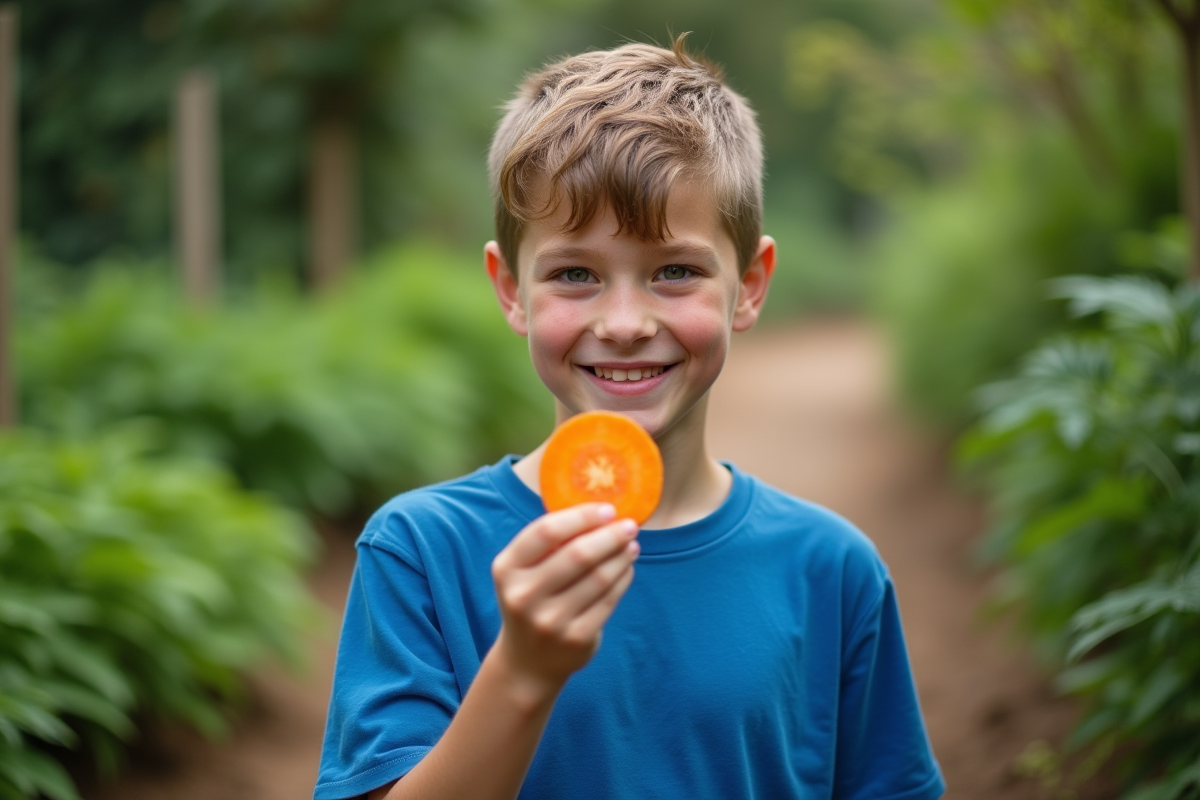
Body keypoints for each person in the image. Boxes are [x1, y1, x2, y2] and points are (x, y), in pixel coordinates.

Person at [314, 35, 945, 800]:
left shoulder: (832, 571)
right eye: (574, 274)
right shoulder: (421, 551)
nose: (622, 322)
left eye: (674, 271)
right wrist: (521, 673)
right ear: (510, 289)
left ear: (748, 285)